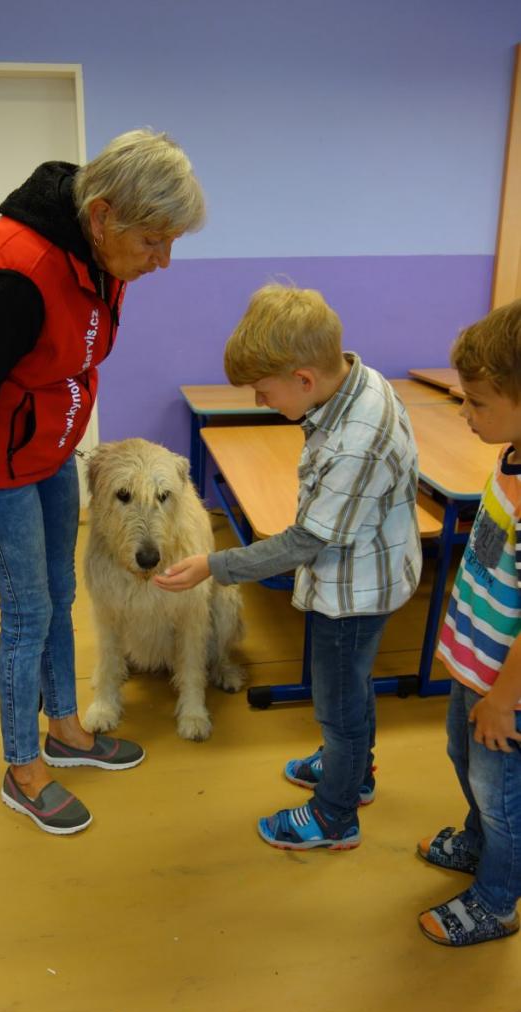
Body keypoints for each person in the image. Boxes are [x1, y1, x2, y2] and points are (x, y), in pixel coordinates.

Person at [0, 129, 206, 835]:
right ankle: (23, 769)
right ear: (103, 215)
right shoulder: (13, 278)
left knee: (58, 595)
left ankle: (66, 731)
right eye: (153, 241)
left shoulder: (96, 252)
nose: (163, 260)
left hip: (51, 453)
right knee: (26, 616)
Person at [154, 283, 422, 851]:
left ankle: (335, 816)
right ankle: (354, 771)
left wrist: (213, 565)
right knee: (351, 687)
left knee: (338, 702)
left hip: (353, 594)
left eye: (263, 391)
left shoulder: (358, 441)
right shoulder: (354, 380)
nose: (258, 402)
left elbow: (305, 542)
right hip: (361, 572)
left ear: (303, 378)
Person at [417, 300, 521, 946]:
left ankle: (497, 901)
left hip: (505, 690)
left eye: (478, 403)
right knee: (464, 757)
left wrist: (503, 701)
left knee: (501, 797)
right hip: (476, 668)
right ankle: (479, 843)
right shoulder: (511, 455)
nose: (466, 414)